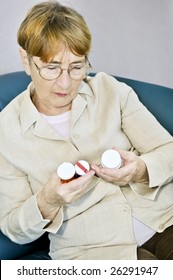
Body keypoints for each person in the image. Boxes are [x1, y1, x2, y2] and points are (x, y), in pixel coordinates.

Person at [0, 1, 173, 260]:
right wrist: (48, 200)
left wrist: (140, 169)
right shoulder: (6, 132)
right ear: (26, 59)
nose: (66, 82)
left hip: (162, 219)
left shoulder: (109, 90)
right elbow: (13, 227)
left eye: (77, 66)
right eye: (52, 67)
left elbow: (167, 150)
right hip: (92, 252)